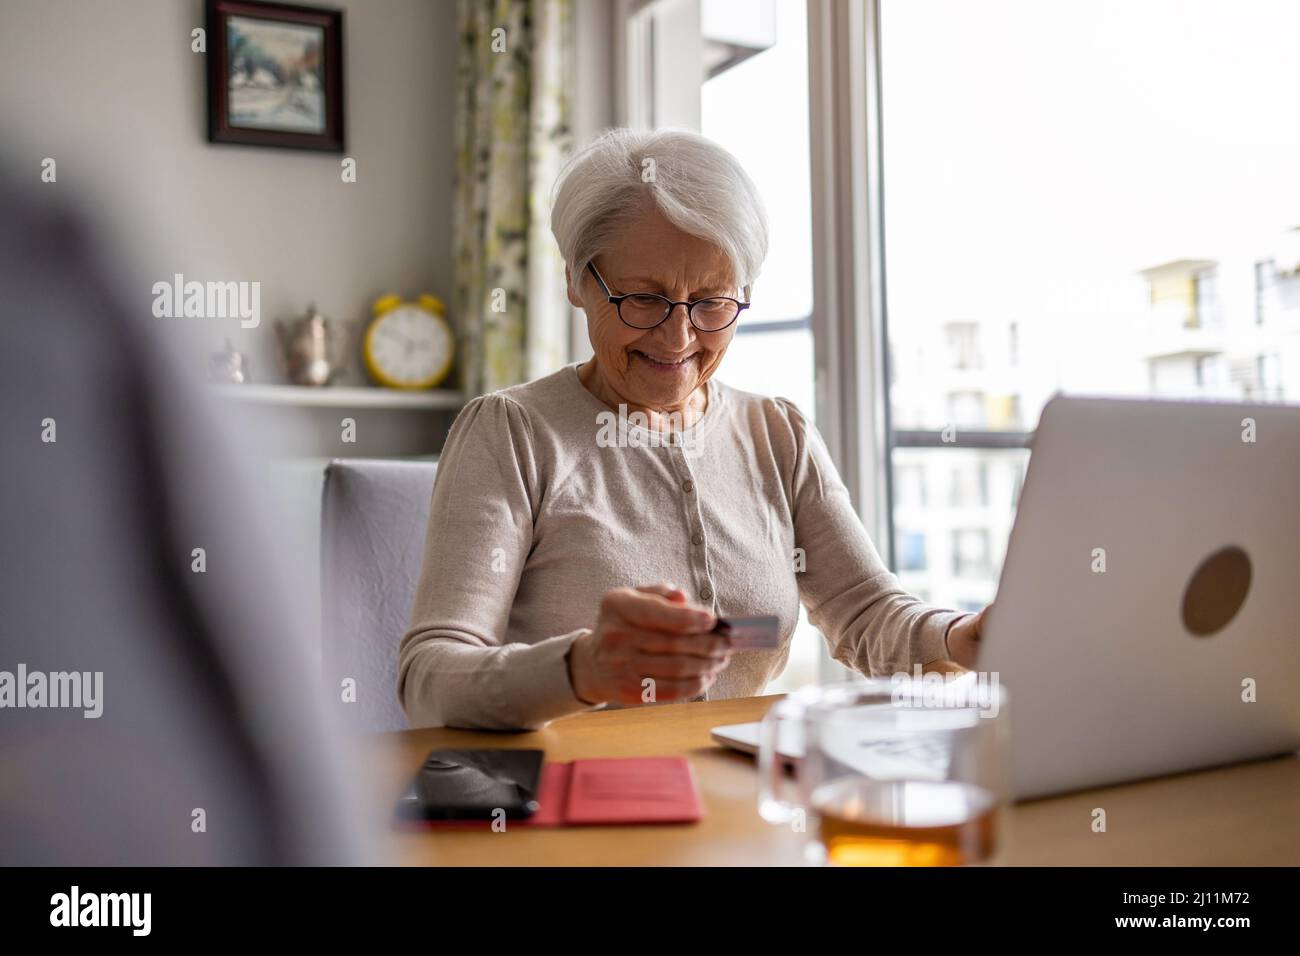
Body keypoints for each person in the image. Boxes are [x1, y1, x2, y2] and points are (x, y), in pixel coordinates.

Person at [399, 128, 983, 731]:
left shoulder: (778, 434)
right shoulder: (512, 433)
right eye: (642, 299)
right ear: (577, 280)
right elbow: (429, 676)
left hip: (741, 794)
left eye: (711, 302)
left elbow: (868, 614)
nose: (678, 339)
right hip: (573, 797)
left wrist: (965, 637)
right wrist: (583, 670)